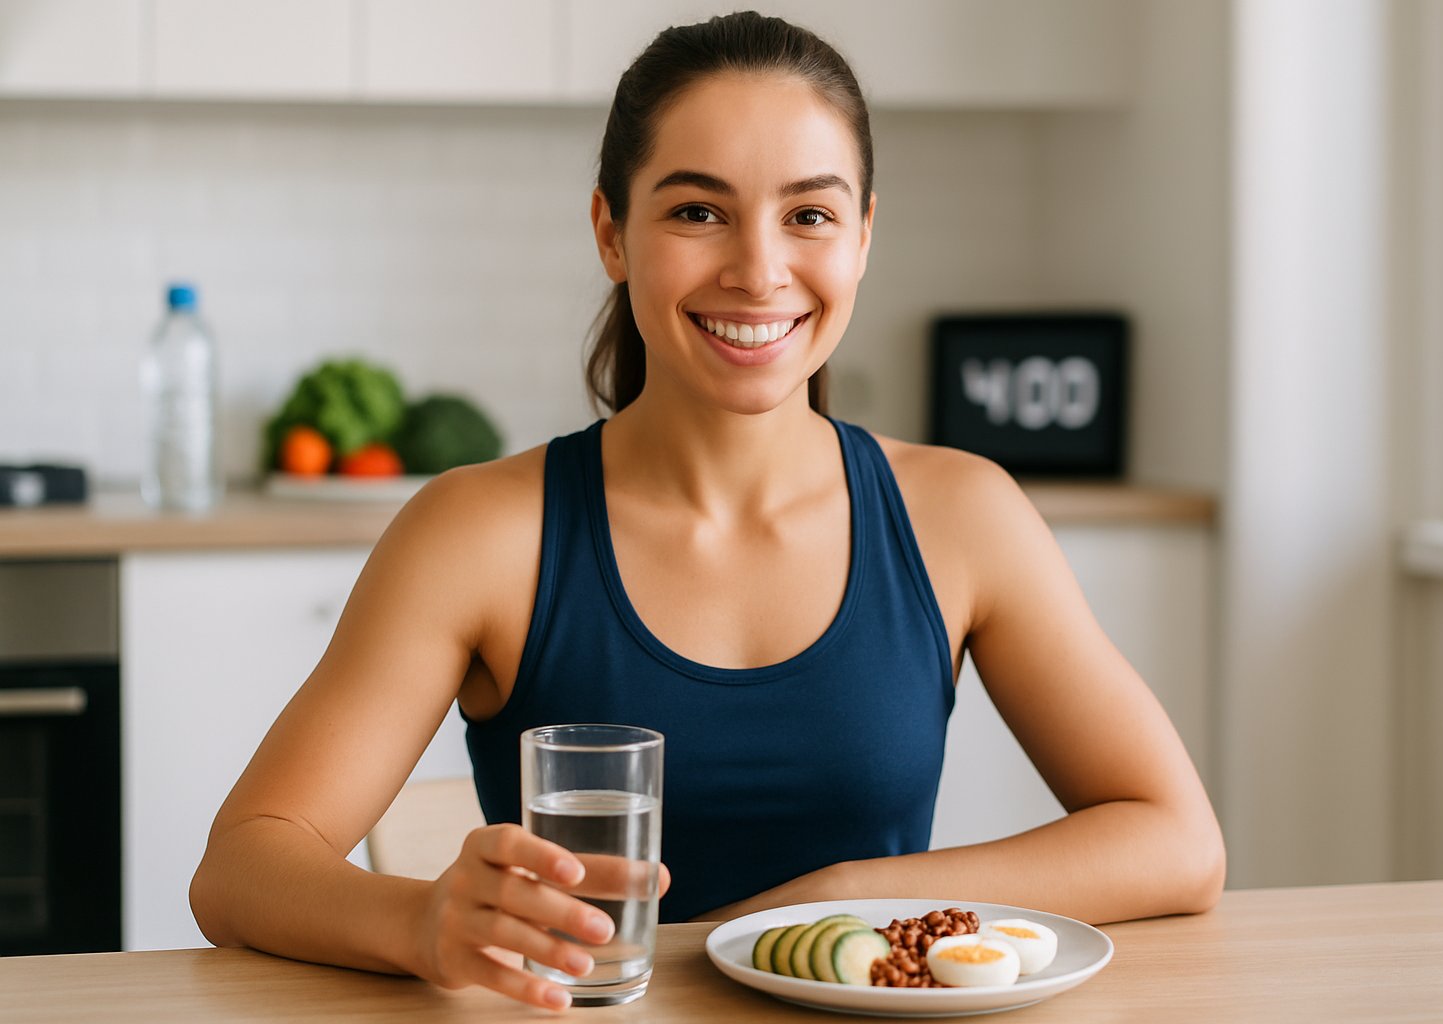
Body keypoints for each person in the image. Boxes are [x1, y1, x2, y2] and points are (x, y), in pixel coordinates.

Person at [190, 10, 1225, 1013]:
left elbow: (1178, 842)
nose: (758, 269)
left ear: (863, 237)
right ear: (612, 230)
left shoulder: (962, 516)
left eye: (809, 214)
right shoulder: (479, 534)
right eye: (697, 211)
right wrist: (422, 923)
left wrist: (842, 897)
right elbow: (241, 867)